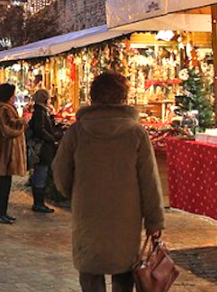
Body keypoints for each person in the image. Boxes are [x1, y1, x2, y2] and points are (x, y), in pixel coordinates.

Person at [53, 73, 165, 292]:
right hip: (126, 217)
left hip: (88, 215)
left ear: (93, 97)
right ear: (123, 97)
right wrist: (155, 221)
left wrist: (70, 192)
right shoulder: (136, 133)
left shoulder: (78, 131)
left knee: (90, 273)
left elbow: (60, 172)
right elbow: (149, 180)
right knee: (124, 274)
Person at [0, 83, 27, 225]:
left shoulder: (0, 107)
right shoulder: (3, 109)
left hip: (2, 153)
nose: (14, 97)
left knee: (4, 185)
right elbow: (7, 130)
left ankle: (2, 212)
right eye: (13, 94)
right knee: (1, 186)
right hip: (2, 154)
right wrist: (22, 123)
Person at [29, 89, 58, 214]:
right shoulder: (40, 112)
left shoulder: (40, 111)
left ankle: (39, 202)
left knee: (40, 174)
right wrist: (51, 138)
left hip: (43, 148)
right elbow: (39, 130)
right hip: (43, 149)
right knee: (41, 174)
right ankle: (38, 203)